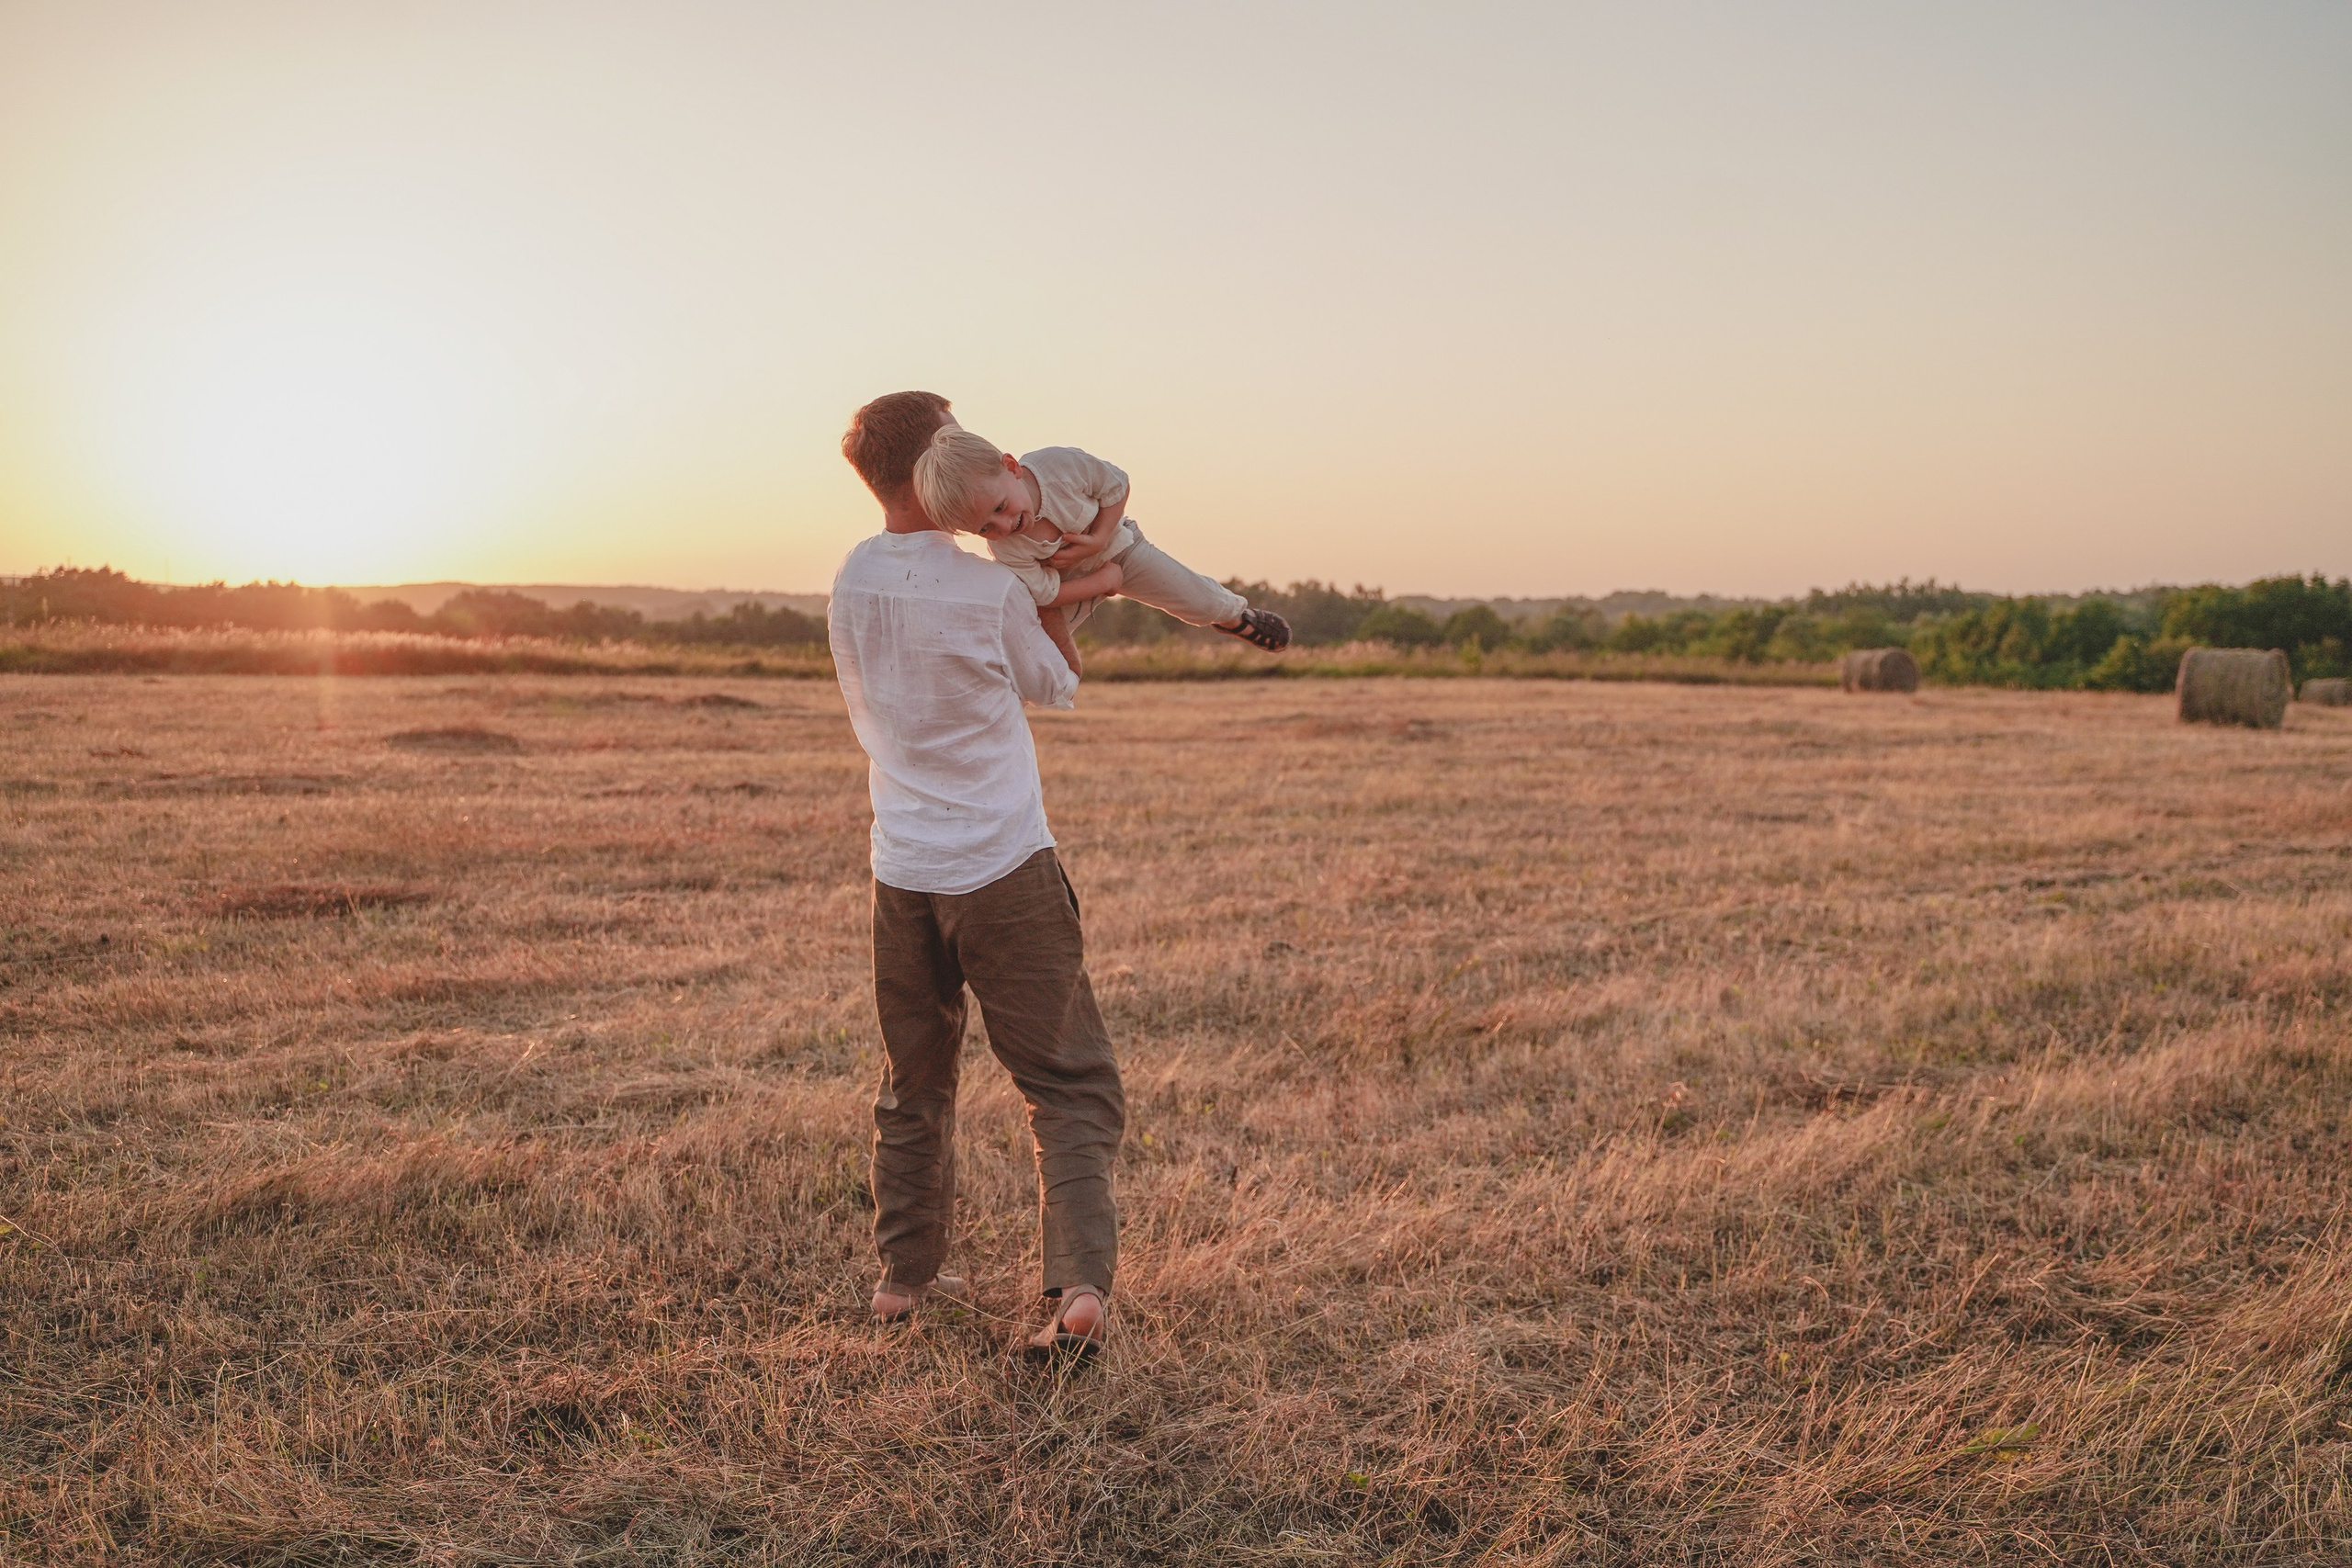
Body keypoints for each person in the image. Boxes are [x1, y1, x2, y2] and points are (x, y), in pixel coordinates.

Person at [828, 389, 1123, 1359]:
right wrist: (1077, 605)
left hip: (900, 867)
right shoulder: (987, 589)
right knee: (1066, 1081)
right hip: (1002, 866)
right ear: (937, 462)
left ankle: (901, 1285)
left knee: (914, 1083)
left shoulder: (851, 580)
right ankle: (1077, 1290)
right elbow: (1057, 686)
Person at [910, 425, 1292, 650]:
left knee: (1201, 602)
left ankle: (1235, 616)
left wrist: (1098, 538)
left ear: (1010, 467)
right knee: (1033, 652)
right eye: (984, 529)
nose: (1004, 527)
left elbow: (1115, 487)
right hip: (1070, 586)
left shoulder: (1058, 466)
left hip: (1121, 551)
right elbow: (1044, 593)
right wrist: (1102, 582)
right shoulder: (1005, 547)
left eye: (1000, 508)